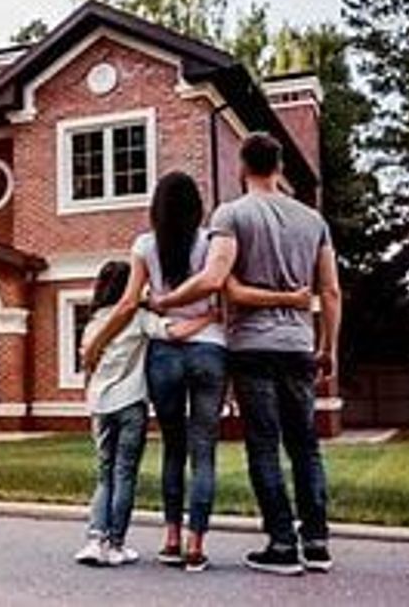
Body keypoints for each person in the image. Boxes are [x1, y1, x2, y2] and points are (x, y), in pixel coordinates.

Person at [82, 171, 310, 573]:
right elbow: (227, 293)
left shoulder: (144, 245)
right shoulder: (212, 241)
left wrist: (98, 341)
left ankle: (170, 539)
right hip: (210, 350)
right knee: (203, 451)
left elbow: (128, 304)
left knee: (173, 448)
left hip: (164, 355)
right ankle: (195, 546)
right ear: (197, 207)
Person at [153, 133, 342, 576]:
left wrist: (165, 300)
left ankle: (282, 544)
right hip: (298, 346)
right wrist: (327, 346)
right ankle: (316, 543)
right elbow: (331, 290)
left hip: (252, 347)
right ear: (280, 167)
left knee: (264, 444)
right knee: (305, 445)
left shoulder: (232, 213)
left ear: (242, 166)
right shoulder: (313, 220)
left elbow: (214, 278)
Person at [75, 260, 219, 567]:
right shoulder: (138, 318)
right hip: (130, 405)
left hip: (99, 407)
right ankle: (116, 545)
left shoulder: (93, 323)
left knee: (104, 475)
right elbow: (175, 332)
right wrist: (209, 317)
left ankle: (94, 540)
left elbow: (88, 366)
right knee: (124, 474)